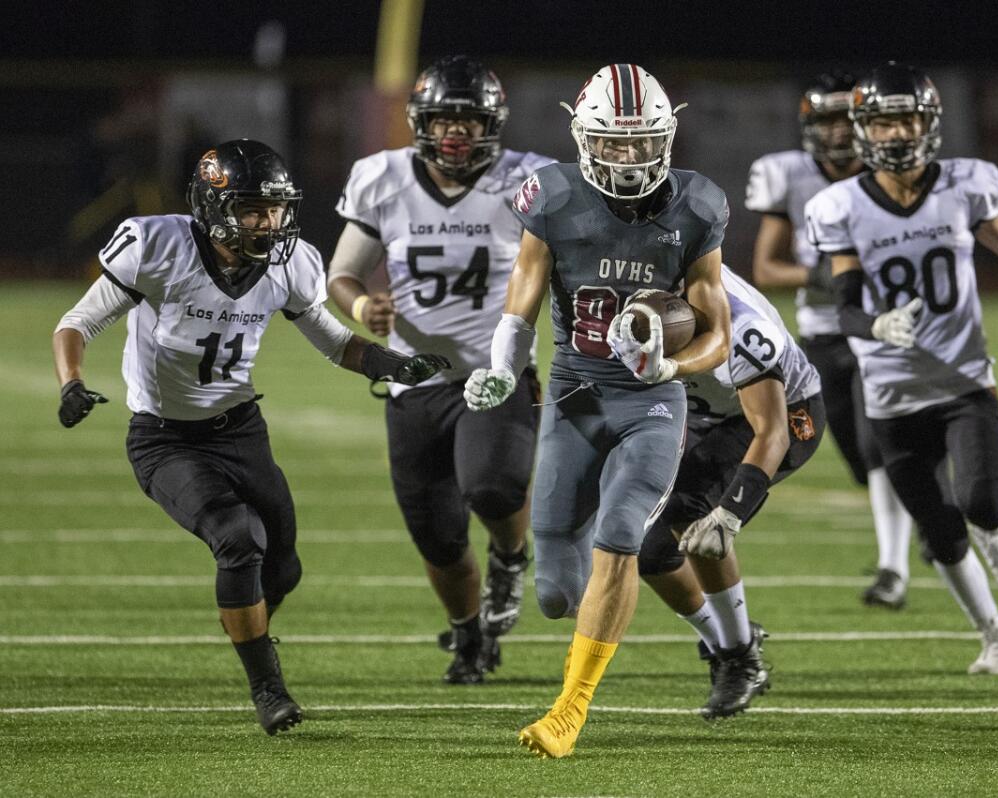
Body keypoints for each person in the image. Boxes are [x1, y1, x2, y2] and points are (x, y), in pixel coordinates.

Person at [52, 139, 448, 734]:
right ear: (213, 208)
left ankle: (246, 618)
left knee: (282, 569)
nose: (268, 223)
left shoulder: (288, 262)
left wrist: (391, 364)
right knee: (239, 538)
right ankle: (268, 690)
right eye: (253, 210)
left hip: (241, 430)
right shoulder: (158, 246)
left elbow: (334, 340)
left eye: (275, 210)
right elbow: (77, 322)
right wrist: (71, 383)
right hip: (165, 438)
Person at [805, 63, 998, 674]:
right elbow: (840, 308)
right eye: (885, 121)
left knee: (980, 501)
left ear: (928, 124)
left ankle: (996, 530)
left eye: (908, 119)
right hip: (891, 400)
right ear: (865, 130)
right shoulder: (839, 205)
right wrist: (877, 326)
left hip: (963, 383)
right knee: (941, 536)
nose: (897, 133)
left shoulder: (967, 185)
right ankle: (996, 635)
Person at [464, 63, 731, 758]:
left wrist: (670, 364)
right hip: (576, 393)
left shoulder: (696, 206)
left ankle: (569, 709)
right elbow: (523, 291)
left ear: (666, 139)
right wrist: (500, 367)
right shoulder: (551, 196)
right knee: (554, 587)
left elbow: (717, 333)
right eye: (612, 143)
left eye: (642, 142)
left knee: (622, 532)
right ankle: (592, 594)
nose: (628, 157)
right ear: (584, 138)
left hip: (650, 404)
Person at [328, 55, 553, 684]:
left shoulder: (529, 180)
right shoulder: (382, 177)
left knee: (490, 485)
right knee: (438, 537)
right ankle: (469, 636)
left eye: (470, 120)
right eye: (445, 119)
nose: (456, 133)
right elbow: (341, 276)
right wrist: (362, 304)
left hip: (494, 372)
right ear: (420, 122)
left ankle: (510, 556)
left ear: (493, 124)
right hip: (414, 379)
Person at [746, 71, 913, 609]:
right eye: (828, 121)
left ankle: (894, 569)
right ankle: (928, 512)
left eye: (847, 120)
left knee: (878, 443)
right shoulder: (787, 174)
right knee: (856, 455)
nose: (840, 133)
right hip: (822, 331)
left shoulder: (896, 173)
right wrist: (829, 277)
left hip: (881, 330)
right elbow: (767, 268)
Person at [638, 265, 825, 719]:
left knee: (694, 510)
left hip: (782, 416)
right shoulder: (635, 306)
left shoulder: (745, 330)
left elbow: (772, 434)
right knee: (651, 554)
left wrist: (730, 514)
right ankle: (726, 642)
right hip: (702, 412)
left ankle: (739, 657)